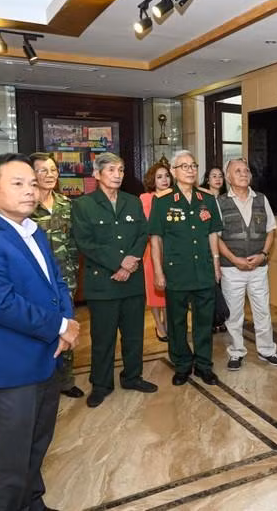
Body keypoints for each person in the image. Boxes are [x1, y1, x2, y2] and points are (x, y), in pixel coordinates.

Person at [0, 153, 80, 511]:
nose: (31, 190)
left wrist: (67, 323)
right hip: (13, 369)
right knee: (10, 461)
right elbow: (3, 304)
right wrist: (59, 326)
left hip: (47, 358)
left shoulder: (34, 230)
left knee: (37, 446)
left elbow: (57, 283)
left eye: (32, 182)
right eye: (18, 183)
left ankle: (34, 505)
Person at [72, 152, 158, 408]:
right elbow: (85, 243)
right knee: (103, 338)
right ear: (97, 175)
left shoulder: (132, 202)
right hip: (103, 282)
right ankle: (101, 384)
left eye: (120, 170)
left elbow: (143, 233)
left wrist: (130, 262)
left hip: (131, 281)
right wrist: (118, 263)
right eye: (111, 170)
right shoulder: (83, 205)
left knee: (134, 335)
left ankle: (132, 376)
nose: (117, 175)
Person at [149, 150, 223, 386]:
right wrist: (159, 272)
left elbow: (213, 234)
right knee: (177, 322)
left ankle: (203, 365)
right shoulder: (162, 201)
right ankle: (182, 365)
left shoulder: (207, 199)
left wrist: (216, 263)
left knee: (204, 322)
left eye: (193, 165)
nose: (190, 170)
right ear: (173, 171)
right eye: (184, 166)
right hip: (176, 272)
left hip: (203, 270)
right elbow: (155, 240)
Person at [216, 158, 277, 371]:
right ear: (228, 177)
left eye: (246, 170)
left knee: (262, 311)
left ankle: (267, 350)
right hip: (231, 269)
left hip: (258, 268)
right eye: (237, 171)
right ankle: (236, 352)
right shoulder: (219, 202)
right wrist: (234, 259)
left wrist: (263, 254)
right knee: (234, 313)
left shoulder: (261, 199)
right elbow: (216, 237)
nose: (243, 174)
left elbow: (271, 231)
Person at [29, 152, 83, 400]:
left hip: (65, 280)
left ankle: (66, 380)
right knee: (38, 328)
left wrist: (72, 273)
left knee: (66, 326)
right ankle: (39, 379)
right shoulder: (26, 208)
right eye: (43, 170)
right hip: (35, 283)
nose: (50, 175)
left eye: (53, 170)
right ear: (32, 175)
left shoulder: (66, 204)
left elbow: (74, 243)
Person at [140, 161, 172, 342]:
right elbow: (147, 225)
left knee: (169, 290)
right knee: (154, 289)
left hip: (172, 250)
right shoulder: (145, 199)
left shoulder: (175, 197)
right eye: (159, 177)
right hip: (151, 250)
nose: (164, 180)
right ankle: (159, 326)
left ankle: (168, 323)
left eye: (167, 176)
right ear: (153, 180)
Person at [201, 165, 228, 332]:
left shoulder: (227, 199)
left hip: (226, 246)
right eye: (214, 176)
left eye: (220, 176)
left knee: (223, 284)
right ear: (207, 180)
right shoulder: (202, 199)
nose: (218, 179)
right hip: (209, 246)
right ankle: (211, 319)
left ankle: (221, 319)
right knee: (212, 285)